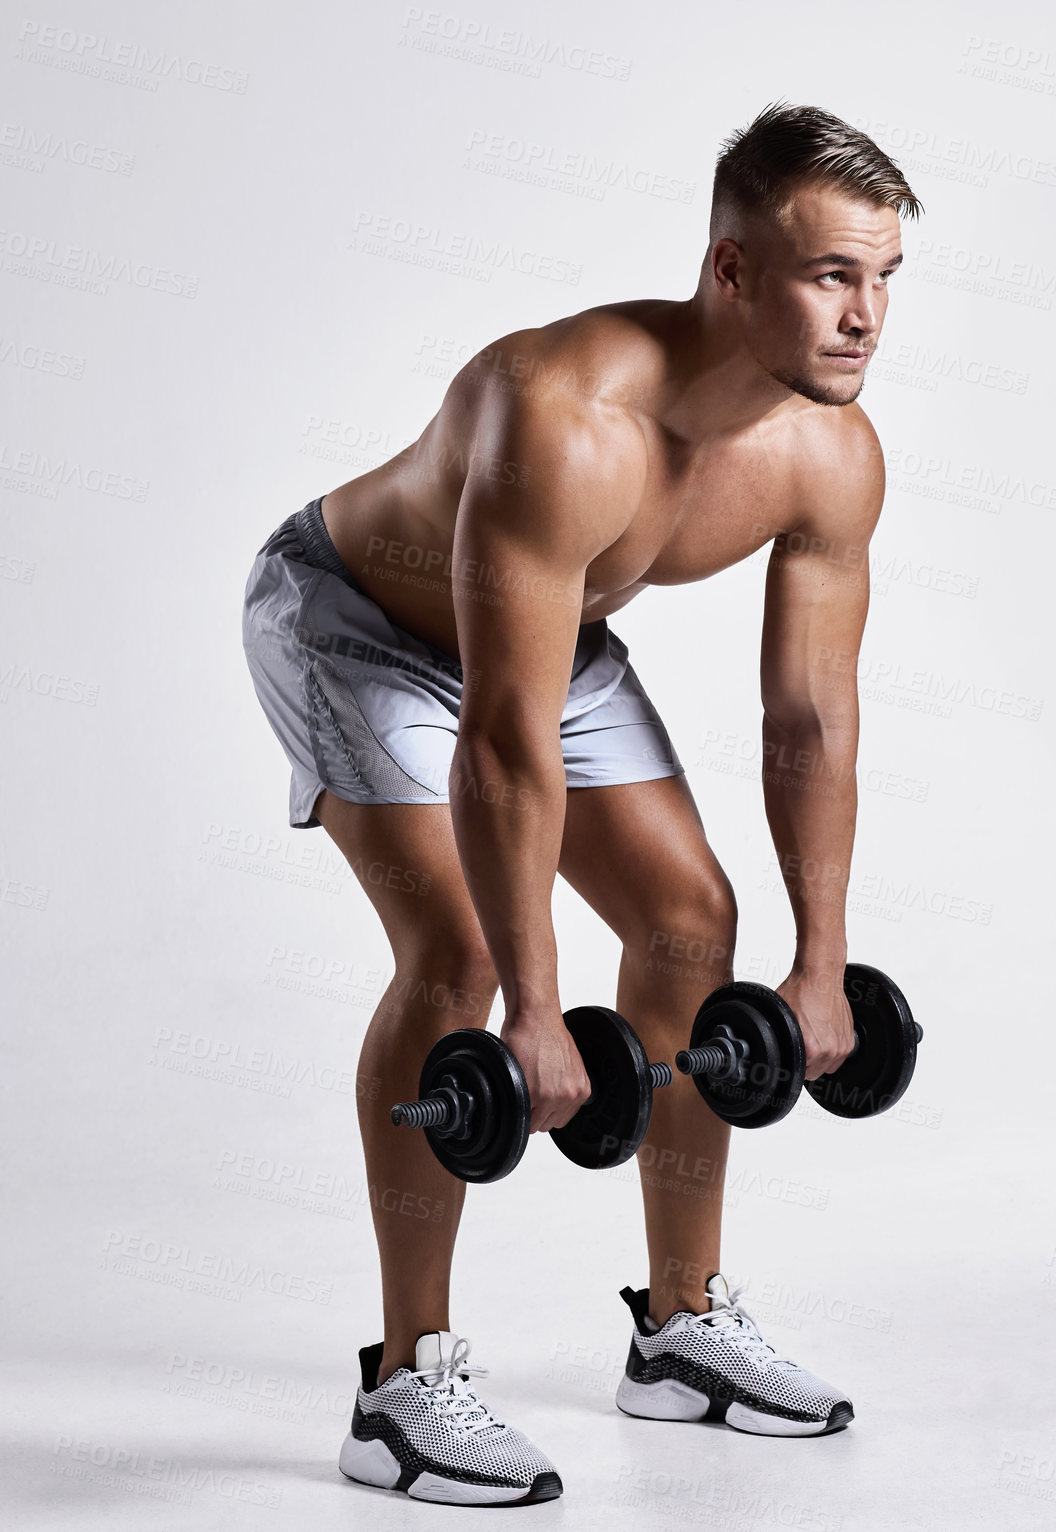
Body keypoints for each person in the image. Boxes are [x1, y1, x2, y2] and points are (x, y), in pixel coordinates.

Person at [241, 100, 921, 1507]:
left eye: (883, 280)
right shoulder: (565, 416)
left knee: (690, 917)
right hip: (358, 622)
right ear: (731, 271)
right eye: (828, 277)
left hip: (547, 636)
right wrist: (538, 1016)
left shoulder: (830, 457)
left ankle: (679, 1336)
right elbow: (501, 745)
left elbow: (810, 717)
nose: (865, 317)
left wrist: (815, 965)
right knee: (464, 960)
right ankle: (403, 1382)